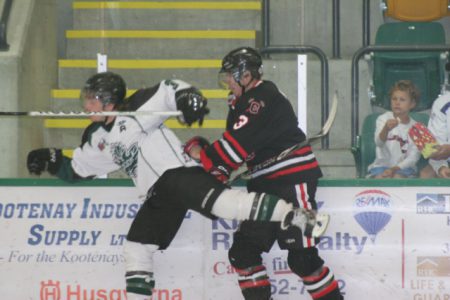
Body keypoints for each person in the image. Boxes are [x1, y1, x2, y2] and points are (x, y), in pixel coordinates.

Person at [26, 71, 324, 300]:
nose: (86, 104)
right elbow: (78, 167)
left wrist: (186, 99)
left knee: (226, 205)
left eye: (92, 98)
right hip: (157, 194)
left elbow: (169, 89)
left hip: (178, 174)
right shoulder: (98, 138)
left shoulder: (135, 110)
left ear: (109, 100)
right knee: (136, 249)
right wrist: (50, 160)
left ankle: (300, 216)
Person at [184, 47, 343, 300]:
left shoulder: (258, 99)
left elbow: (232, 151)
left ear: (245, 75)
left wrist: (201, 155)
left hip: (292, 180)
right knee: (243, 253)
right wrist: (215, 163)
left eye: (229, 76)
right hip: (264, 184)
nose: (226, 81)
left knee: (303, 259)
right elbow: (236, 154)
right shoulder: (245, 101)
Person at [367, 80, 422, 178]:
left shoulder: (416, 128)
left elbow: (413, 158)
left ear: (412, 104)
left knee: (398, 178)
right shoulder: (383, 119)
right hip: (381, 166)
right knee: (380, 178)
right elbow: (379, 143)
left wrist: (394, 169)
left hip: (404, 169)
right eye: (394, 99)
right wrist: (386, 129)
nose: (397, 102)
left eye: (402, 100)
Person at [419, 89, 450, 178]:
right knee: (426, 175)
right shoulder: (442, 103)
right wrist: (441, 167)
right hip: (446, 161)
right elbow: (436, 147)